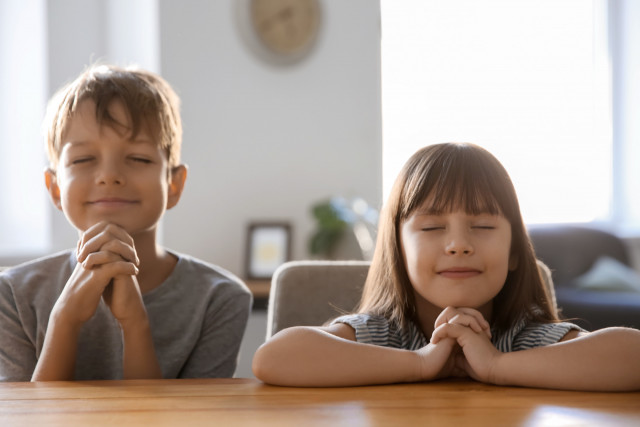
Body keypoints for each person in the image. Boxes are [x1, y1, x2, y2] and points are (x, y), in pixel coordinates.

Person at [252, 142, 640, 391]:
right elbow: (273, 358)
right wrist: (419, 363)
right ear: (399, 252)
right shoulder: (381, 333)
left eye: (484, 226)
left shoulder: (524, 336)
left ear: (515, 253)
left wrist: (497, 365)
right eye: (433, 227)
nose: (458, 245)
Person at [0, 64, 252, 381]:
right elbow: (27, 419)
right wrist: (66, 318)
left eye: (139, 158)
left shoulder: (220, 299)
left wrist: (135, 323)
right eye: (82, 159)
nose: (109, 176)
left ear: (174, 185)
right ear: (55, 188)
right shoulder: (12, 295)